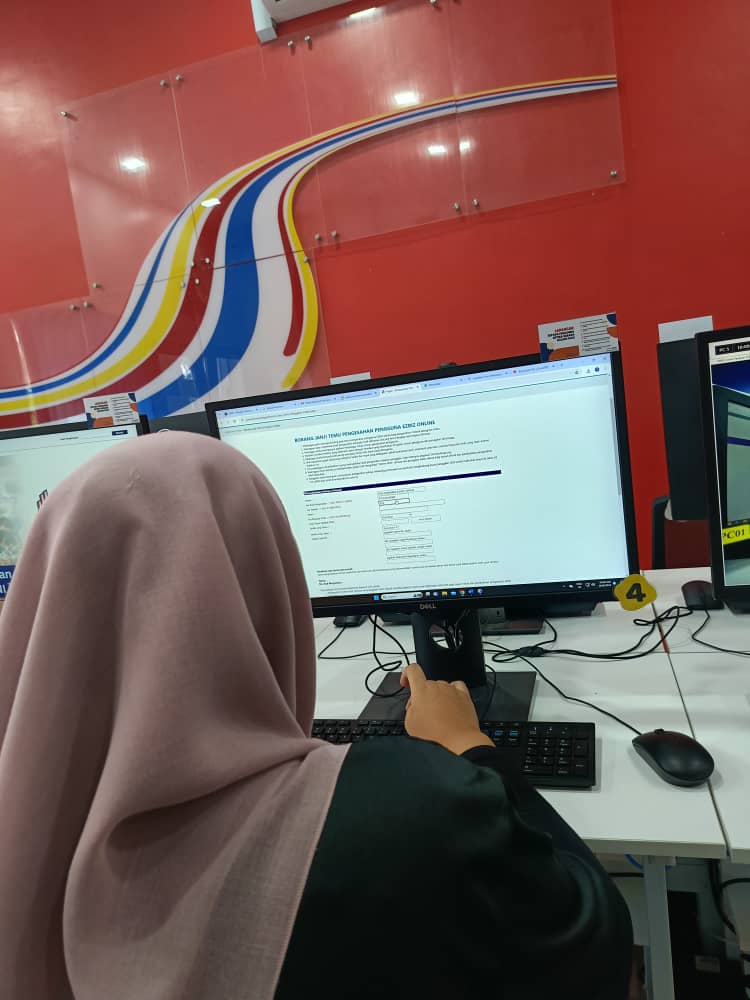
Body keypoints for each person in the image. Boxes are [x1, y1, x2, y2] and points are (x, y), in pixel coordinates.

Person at [0, 433, 632, 999]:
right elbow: (594, 944)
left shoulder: (25, 836)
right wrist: (471, 748)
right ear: (269, 578)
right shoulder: (409, 814)